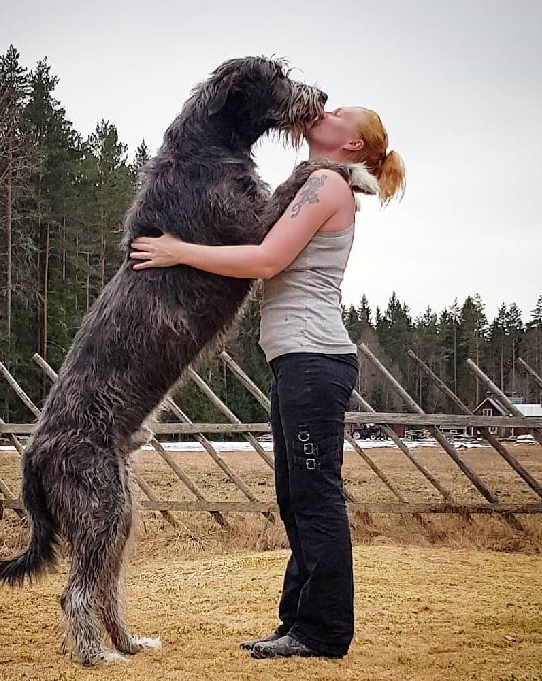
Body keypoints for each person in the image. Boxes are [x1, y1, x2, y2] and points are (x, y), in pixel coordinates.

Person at [130, 106, 406, 659]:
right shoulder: (317, 183)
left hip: (313, 360)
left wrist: (176, 251)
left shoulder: (327, 183)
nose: (320, 112)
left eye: (337, 114)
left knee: (314, 495)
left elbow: (265, 258)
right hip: (296, 360)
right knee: (294, 494)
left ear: (351, 145)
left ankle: (323, 633)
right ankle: (298, 624)